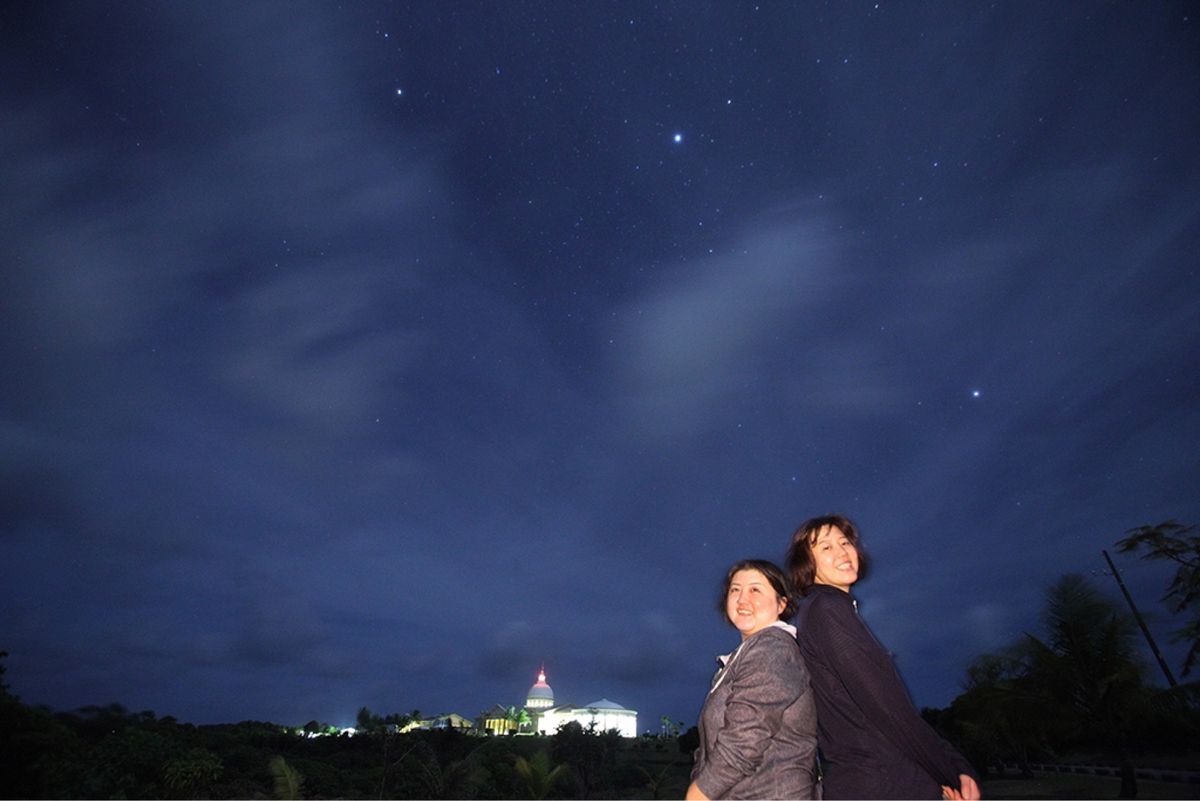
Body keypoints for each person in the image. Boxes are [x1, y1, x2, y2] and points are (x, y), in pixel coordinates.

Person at [787, 514, 982, 800]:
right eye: (826, 547)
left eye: (845, 542)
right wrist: (952, 773)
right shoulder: (827, 610)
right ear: (807, 563)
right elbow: (887, 707)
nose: (842, 551)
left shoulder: (825, 611)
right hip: (881, 781)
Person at [687, 559, 818, 800]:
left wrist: (697, 794)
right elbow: (708, 746)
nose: (742, 599)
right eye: (735, 590)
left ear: (782, 603)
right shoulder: (741, 657)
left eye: (755, 589)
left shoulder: (772, 648)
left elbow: (743, 741)